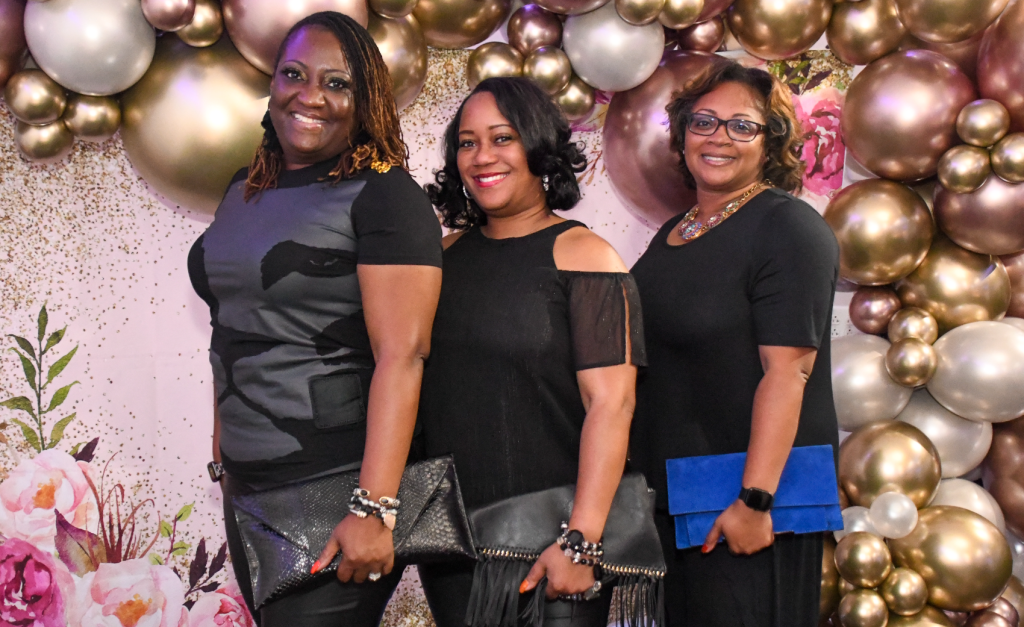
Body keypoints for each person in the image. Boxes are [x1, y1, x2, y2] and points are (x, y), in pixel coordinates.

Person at [187, 12, 442, 627]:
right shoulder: (244, 188)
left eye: (338, 83)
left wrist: (375, 508)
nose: (311, 96)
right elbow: (236, 318)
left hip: (335, 486)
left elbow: (402, 356)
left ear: (367, 101)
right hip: (250, 484)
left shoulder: (384, 195)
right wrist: (225, 441)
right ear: (271, 82)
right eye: (294, 74)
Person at [416, 76, 645, 627]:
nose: (482, 157)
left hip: (556, 548)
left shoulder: (585, 256)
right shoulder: (440, 258)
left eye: (502, 138)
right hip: (454, 547)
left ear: (538, 147)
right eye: (466, 143)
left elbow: (611, 406)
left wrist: (582, 540)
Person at [628, 61, 840, 627]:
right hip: (677, 498)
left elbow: (787, 375)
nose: (718, 137)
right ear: (681, 132)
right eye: (704, 121)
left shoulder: (788, 229)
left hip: (746, 505)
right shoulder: (675, 230)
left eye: (741, 126)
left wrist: (755, 500)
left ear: (771, 143)